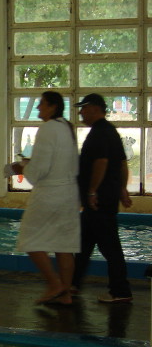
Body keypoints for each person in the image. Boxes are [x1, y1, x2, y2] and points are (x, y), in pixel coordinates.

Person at [10, 91, 80, 305]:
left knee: (29, 239)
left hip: (50, 193)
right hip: (69, 193)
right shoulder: (67, 127)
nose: (38, 108)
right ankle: (65, 294)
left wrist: (22, 168)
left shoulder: (47, 129)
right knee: (64, 245)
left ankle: (54, 284)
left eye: (41, 104)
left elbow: (40, 168)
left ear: (52, 107)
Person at [71, 93, 133, 303]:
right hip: (103, 199)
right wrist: (122, 189)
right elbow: (122, 163)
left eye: (84, 108)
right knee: (83, 244)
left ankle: (120, 290)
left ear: (95, 108)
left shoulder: (99, 133)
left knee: (110, 247)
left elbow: (102, 162)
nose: (81, 112)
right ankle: (73, 284)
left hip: (99, 200)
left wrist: (92, 191)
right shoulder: (110, 131)